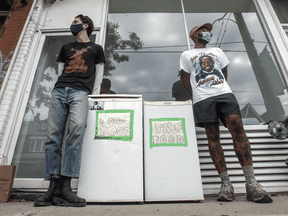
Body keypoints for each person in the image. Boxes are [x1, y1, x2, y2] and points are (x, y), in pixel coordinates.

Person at [180, 23, 272, 203]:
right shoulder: (186, 55)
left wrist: (218, 88)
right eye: (203, 31)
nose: (207, 33)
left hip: (224, 95)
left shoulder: (218, 51)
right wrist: (198, 94)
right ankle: (226, 185)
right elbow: (185, 78)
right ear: (194, 35)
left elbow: (224, 73)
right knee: (213, 137)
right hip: (203, 99)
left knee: (238, 130)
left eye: (207, 31)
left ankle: (251, 184)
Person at [34, 14, 105, 207]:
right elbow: (60, 70)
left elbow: (99, 74)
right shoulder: (66, 48)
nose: (72, 25)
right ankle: (52, 186)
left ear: (86, 25)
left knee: (76, 131)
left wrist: (92, 95)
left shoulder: (97, 49)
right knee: (53, 137)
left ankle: (66, 185)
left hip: (81, 93)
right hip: (60, 91)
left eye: (75, 22)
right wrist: (60, 88)